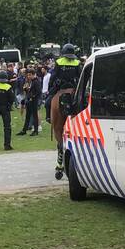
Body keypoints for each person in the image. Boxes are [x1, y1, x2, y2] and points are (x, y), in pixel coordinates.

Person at [49, 44, 82, 176]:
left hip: (61, 89)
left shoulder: (58, 62)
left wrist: (52, 87)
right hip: (74, 90)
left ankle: (48, 116)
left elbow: (53, 77)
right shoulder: (77, 62)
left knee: (47, 102)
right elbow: (80, 78)